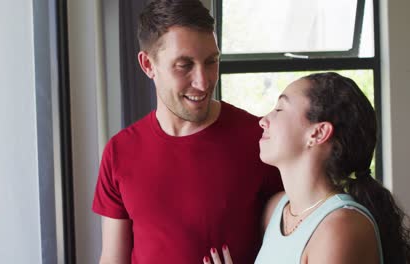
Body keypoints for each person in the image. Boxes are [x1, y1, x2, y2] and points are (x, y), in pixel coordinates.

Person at [92, 0, 283, 263]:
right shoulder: (119, 151)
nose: (203, 82)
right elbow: (113, 258)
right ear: (148, 65)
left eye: (211, 61)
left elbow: (300, 241)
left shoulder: (260, 140)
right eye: (184, 65)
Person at [203, 72, 410, 264]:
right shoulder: (277, 209)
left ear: (318, 133)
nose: (264, 121)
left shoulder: (341, 227)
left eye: (279, 109)